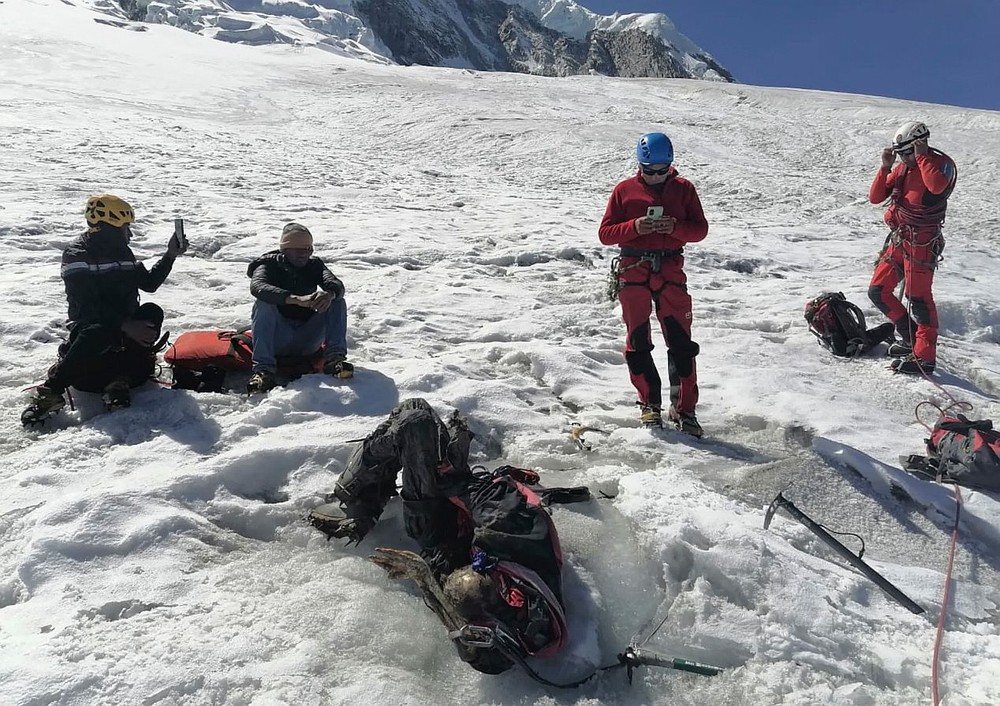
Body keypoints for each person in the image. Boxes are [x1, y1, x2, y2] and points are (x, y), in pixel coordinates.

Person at [308, 399, 589, 675]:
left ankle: (355, 502)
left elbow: (460, 621)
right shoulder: (510, 531)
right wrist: (451, 474)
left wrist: (423, 575)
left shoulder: (494, 638)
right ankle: (365, 496)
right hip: (464, 516)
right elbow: (484, 496)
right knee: (417, 412)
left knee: (414, 420)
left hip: (440, 537)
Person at [21, 194, 186, 426]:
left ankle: (120, 380)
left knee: (151, 312)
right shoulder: (77, 254)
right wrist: (125, 325)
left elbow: (148, 284)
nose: (130, 234)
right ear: (109, 228)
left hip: (124, 330)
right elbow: (86, 306)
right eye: (125, 228)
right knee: (98, 330)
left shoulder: (123, 253)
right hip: (92, 331)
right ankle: (51, 392)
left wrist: (170, 256)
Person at [598, 132, 709, 437]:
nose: (657, 177)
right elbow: (606, 233)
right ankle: (650, 405)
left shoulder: (684, 189)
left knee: (682, 344)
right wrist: (635, 227)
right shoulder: (624, 191)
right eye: (650, 171)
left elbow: (700, 230)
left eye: (663, 171)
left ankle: (684, 410)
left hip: (671, 271)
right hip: (634, 272)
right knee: (638, 341)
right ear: (641, 165)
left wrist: (675, 228)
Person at [868, 121, 957, 375]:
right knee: (878, 291)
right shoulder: (903, 169)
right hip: (900, 239)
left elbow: (937, 186)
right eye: (901, 154)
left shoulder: (938, 165)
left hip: (922, 243)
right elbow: (876, 197)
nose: (904, 158)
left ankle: (925, 357)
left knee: (918, 299)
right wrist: (886, 166)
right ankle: (910, 339)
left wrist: (922, 157)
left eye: (907, 152)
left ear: (920, 143)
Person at [246, 222, 352, 394]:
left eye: (308, 249)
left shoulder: (314, 265)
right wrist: (294, 299)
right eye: (298, 249)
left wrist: (329, 295)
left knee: (336, 301)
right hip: (278, 338)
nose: (304, 254)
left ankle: (335, 360)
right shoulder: (267, 265)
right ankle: (263, 371)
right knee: (263, 303)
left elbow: (335, 285)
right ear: (285, 249)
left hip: (307, 338)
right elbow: (258, 287)